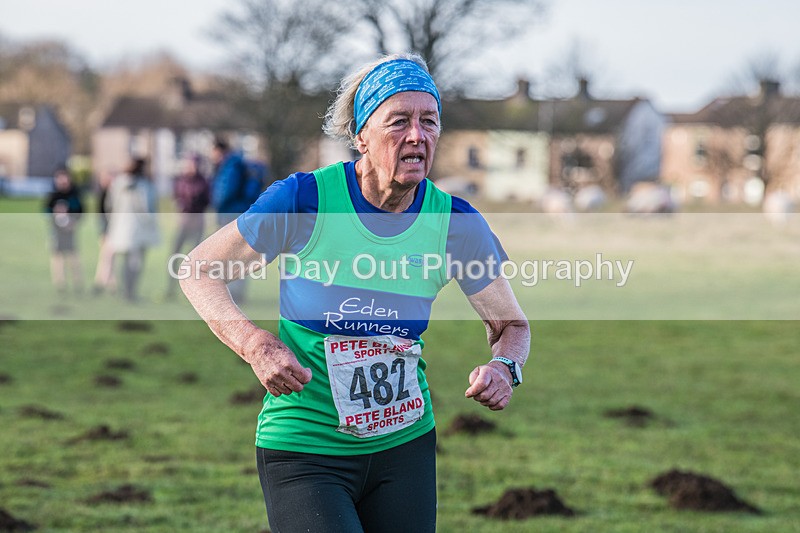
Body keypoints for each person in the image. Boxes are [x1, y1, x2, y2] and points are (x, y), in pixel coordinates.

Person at [180, 53, 529, 532]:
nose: (417, 135)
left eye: (430, 122)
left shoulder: (455, 223)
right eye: (399, 121)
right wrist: (254, 344)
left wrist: (505, 367)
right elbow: (198, 269)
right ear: (361, 135)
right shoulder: (305, 200)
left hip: (404, 449)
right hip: (305, 448)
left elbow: (511, 324)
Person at [105, 158, 160, 302]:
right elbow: (146, 209)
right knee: (136, 263)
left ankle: (126, 291)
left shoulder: (117, 183)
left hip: (120, 229)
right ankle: (131, 292)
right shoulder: (144, 185)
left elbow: (109, 205)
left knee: (125, 262)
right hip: (138, 230)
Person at [209, 137, 251, 303]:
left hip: (231, 214)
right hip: (236, 213)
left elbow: (226, 191)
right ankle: (234, 291)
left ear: (219, 150)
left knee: (232, 254)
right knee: (237, 255)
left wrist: (216, 204)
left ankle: (234, 292)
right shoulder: (234, 164)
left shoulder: (230, 166)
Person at [166, 153, 210, 298]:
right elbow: (176, 198)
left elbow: (206, 201)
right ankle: (170, 288)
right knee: (175, 254)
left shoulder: (203, 182)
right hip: (183, 222)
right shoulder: (180, 181)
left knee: (195, 258)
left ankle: (194, 291)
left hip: (197, 222)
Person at [44, 167, 84, 294]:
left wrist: (73, 222)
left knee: (73, 256)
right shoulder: (53, 195)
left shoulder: (74, 194)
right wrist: (55, 215)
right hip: (56, 231)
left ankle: (78, 282)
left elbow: (81, 211)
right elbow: (46, 212)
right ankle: (60, 283)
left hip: (70, 230)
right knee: (57, 256)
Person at [92, 170, 117, 294]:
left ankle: (105, 282)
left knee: (107, 258)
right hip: (107, 231)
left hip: (111, 232)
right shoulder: (103, 194)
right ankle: (105, 282)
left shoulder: (111, 194)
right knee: (106, 258)